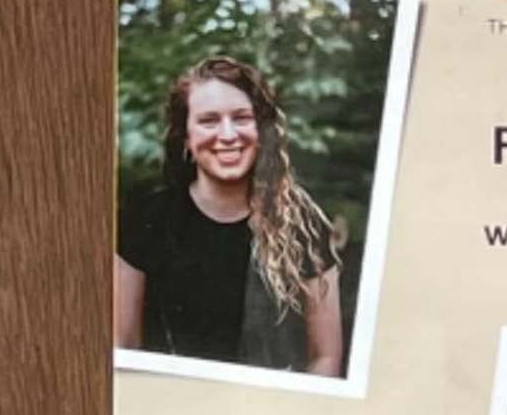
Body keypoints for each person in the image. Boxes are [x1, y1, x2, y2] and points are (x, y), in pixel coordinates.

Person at [113, 53, 346, 377]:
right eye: (208, 120)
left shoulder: (303, 225)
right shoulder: (144, 220)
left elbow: (325, 358)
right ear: (186, 136)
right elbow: (122, 349)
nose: (227, 135)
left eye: (241, 118)